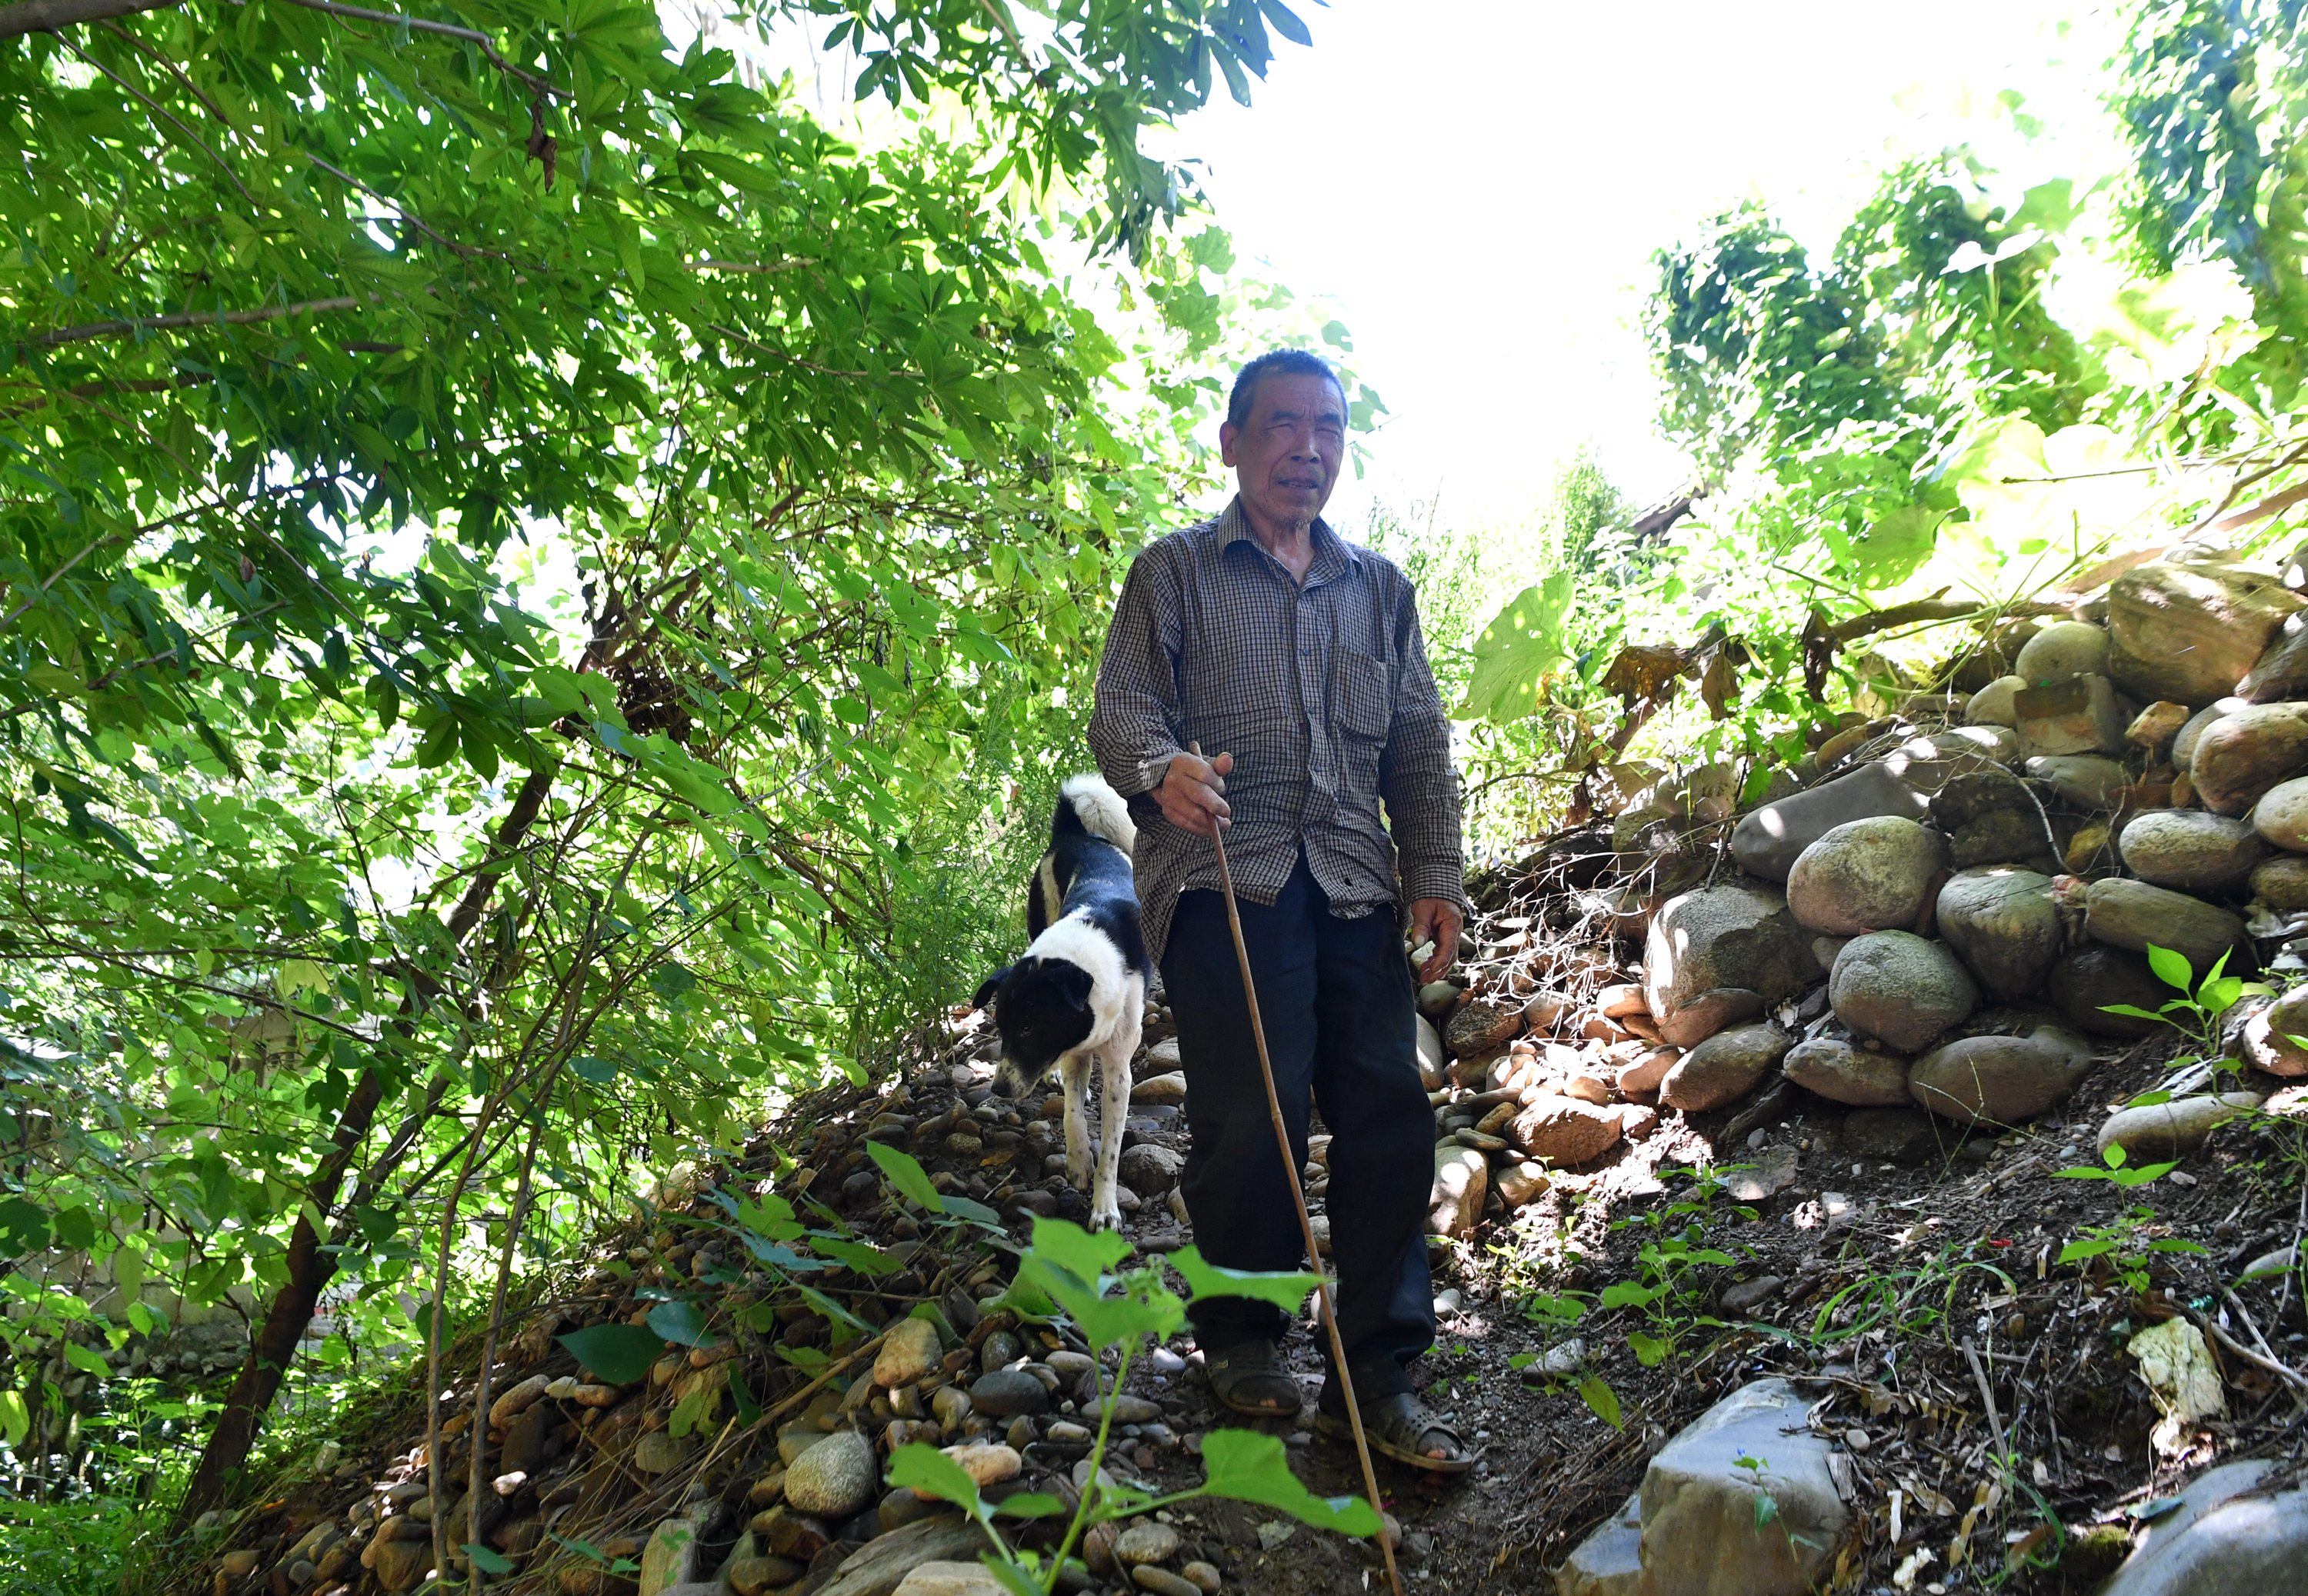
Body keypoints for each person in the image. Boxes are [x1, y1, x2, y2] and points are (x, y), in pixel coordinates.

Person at [1087, 348, 1472, 1471]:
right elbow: (1121, 713)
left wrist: (1437, 874)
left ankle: (1380, 1366)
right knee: (1252, 1109)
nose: (1308, 448)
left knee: (1389, 1108)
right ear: (1233, 443)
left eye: (1329, 428)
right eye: (1283, 426)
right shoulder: (1175, 575)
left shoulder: (1380, 590)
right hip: (1221, 877)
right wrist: (1163, 768)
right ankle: (1247, 1336)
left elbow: (1419, 745)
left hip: (1355, 879)